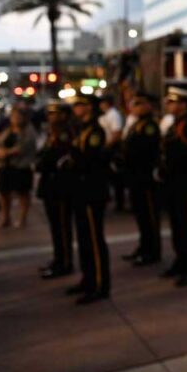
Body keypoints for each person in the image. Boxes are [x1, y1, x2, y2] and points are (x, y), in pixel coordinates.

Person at [65, 94, 111, 304]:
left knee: (93, 239)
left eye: (80, 105)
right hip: (80, 190)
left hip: (92, 190)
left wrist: (71, 161)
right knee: (84, 239)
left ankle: (100, 283)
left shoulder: (94, 131)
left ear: (90, 108)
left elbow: (88, 160)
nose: (76, 108)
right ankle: (88, 278)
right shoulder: (81, 130)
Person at [160, 87, 187, 287]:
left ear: (184, 105)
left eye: (173, 102)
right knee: (177, 227)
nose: (169, 105)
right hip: (174, 184)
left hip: (186, 184)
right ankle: (181, 261)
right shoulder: (174, 125)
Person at [120, 92, 161, 266]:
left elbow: (144, 152)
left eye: (139, 104)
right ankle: (144, 247)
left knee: (149, 216)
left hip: (145, 177)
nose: (135, 107)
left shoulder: (149, 126)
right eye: (134, 104)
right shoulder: (137, 124)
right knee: (141, 216)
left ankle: (151, 250)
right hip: (135, 177)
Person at [35, 101, 74, 279]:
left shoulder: (65, 135)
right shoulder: (51, 134)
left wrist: (42, 162)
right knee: (55, 227)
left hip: (61, 187)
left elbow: (55, 159)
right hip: (50, 186)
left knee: (62, 227)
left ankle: (65, 262)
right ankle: (58, 259)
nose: (51, 117)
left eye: (55, 114)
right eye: (49, 114)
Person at [0, 107, 38, 228]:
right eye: (13, 116)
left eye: (18, 116)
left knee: (22, 193)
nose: (16, 119)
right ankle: (5, 217)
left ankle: (23, 219)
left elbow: (24, 147)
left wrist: (6, 152)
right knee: (3, 192)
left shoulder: (28, 131)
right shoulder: (8, 129)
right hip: (5, 165)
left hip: (21, 166)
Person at [99, 95, 126, 211]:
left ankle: (120, 203)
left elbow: (116, 133)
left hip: (111, 149)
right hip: (107, 147)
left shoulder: (113, 115)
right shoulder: (107, 115)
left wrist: (106, 147)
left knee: (115, 178)